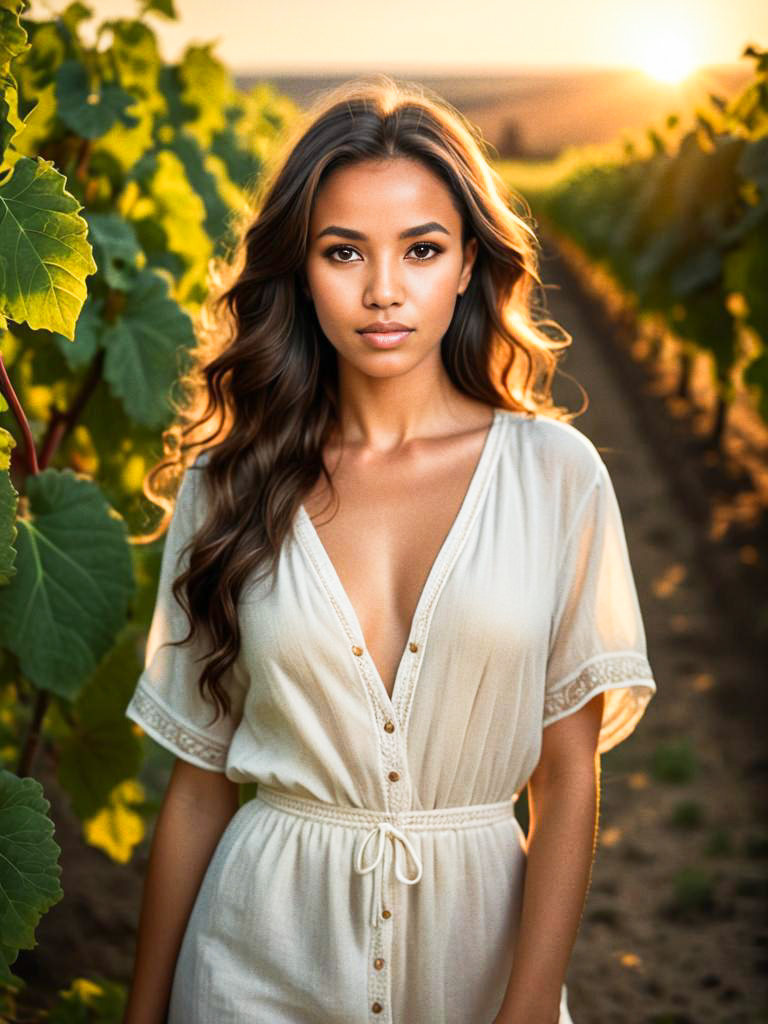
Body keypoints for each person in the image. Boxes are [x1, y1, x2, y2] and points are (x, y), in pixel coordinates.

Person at [122, 74, 657, 1024]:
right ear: (299, 269)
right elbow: (198, 788)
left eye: (421, 249)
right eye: (342, 251)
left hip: (480, 968)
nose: (382, 290)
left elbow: (567, 778)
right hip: (254, 962)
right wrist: (144, 1011)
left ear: (466, 265)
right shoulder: (229, 483)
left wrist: (528, 1009)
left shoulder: (555, 476)